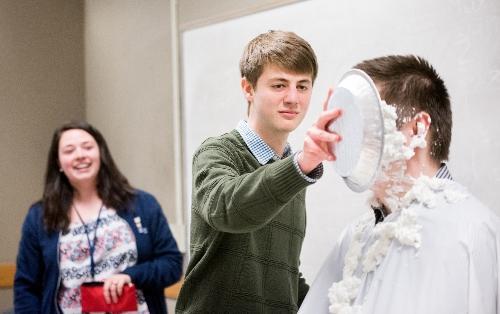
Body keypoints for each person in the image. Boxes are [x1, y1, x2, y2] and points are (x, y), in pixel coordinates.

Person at [299, 55, 500, 314]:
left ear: (418, 128)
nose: (343, 137)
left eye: (364, 121)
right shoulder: (355, 237)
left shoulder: (470, 230)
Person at [175, 30, 342, 313]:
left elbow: (282, 274)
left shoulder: (291, 172)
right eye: (279, 85)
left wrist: (335, 305)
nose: (293, 98)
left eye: (303, 86)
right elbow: (227, 208)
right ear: (248, 88)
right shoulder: (217, 152)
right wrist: (300, 165)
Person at [14, 121, 183, 313]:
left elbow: (172, 264)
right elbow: (26, 287)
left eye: (87, 147)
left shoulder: (142, 204)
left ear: (101, 154)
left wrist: (131, 275)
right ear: (59, 163)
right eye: (69, 150)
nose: (80, 155)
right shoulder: (39, 216)